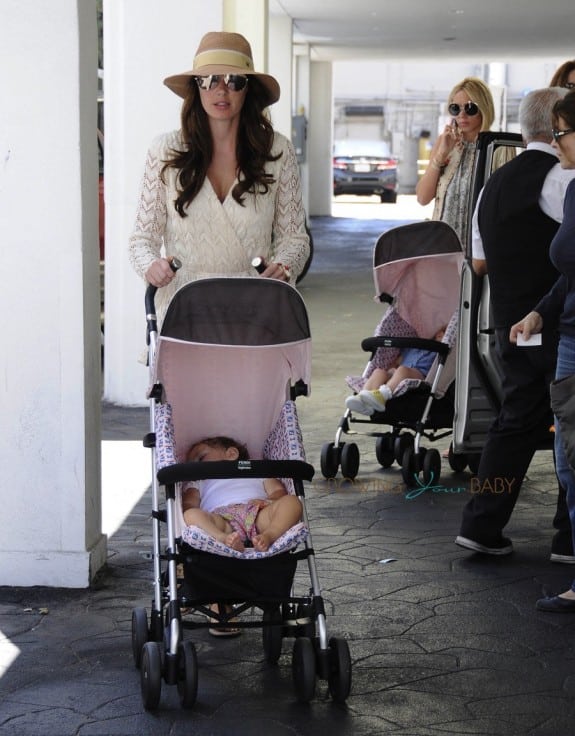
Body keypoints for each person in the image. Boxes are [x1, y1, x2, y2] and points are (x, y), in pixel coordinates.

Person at [456, 87, 575, 559]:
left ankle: (482, 523)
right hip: (556, 320)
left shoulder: (493, 184)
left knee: (515, 420)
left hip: (508, 320)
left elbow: (479, 263)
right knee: (569, 422)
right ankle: (569, 538)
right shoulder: (561, 179)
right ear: (557, 124)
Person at [128, 31, 310, 330]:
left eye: (234, 81)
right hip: (184, 311)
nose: (221, 91)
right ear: (195, 87)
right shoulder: (164, 151)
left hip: (255, 310)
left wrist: (285, 266)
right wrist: (152, 266)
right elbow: (142, 239)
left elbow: (295, 238)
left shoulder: (277, 151)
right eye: (209, 79)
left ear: (248, 89)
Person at [509, 91, 575, 609]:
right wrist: (540, 311)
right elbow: (568, 273)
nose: (555, 144)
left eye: (562, 133)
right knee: (568, 462)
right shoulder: (572, 191)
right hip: (568, 336)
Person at [182, 436, 302, 553]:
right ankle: (222, 539)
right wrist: (197, 514)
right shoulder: (199, 482)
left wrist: (268, 502)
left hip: (257, 513)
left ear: (231, 454)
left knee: (292, 501)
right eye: (192, 464)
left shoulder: (256, 468)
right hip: (221, 519)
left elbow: (277, 491)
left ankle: (269, 535)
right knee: (190, 515)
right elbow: (189, 504)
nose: (196, 465)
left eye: (201, 457)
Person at [416, 77, 495, 250]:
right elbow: (423, 198)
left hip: (480, 249)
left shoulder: (497, 147)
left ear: (484, 108)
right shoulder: (444, 143)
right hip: (443, 246)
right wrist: (441, 154)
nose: (462, 115)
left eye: (470, 108)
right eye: (455, 108)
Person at [345, 326, 446, 416]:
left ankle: (382, 395)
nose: (441, 336)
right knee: (379, 371)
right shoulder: (411, 346)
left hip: (421, 376)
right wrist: (390, 371)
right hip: (399, 374)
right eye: (440, 333)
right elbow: (397, 362)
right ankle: (364, 398)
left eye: (444, 335)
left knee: (402, 370)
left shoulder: (438, 353)